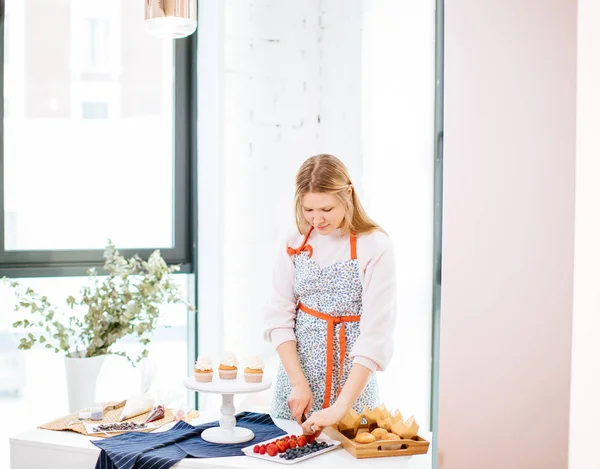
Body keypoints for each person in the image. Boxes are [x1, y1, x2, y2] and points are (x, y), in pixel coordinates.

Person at [263, 154, 397, 437]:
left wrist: (340, 406)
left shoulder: (375, 246)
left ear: (348, 194)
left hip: (353, 387)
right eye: (308, 209)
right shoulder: (294, 242)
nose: (316, 219)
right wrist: (298, 382)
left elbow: (376, 335)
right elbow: (279, 317)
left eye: (326, 208)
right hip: (298, 385)